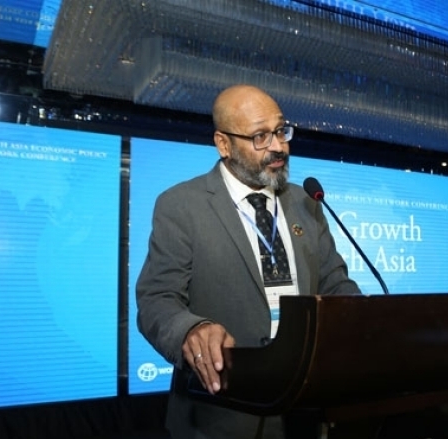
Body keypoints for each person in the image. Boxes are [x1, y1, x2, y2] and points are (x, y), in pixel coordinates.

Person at [135, 84, 362, 439]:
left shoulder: (306, 202)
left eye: (281, 131)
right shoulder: (181, 205)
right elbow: (157, 300)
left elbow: (334, 283)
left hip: (303, 408)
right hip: (220, 416)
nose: (278, 147)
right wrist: (191, 329)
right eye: (260, 136)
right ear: (224, 144)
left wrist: (364, 319)